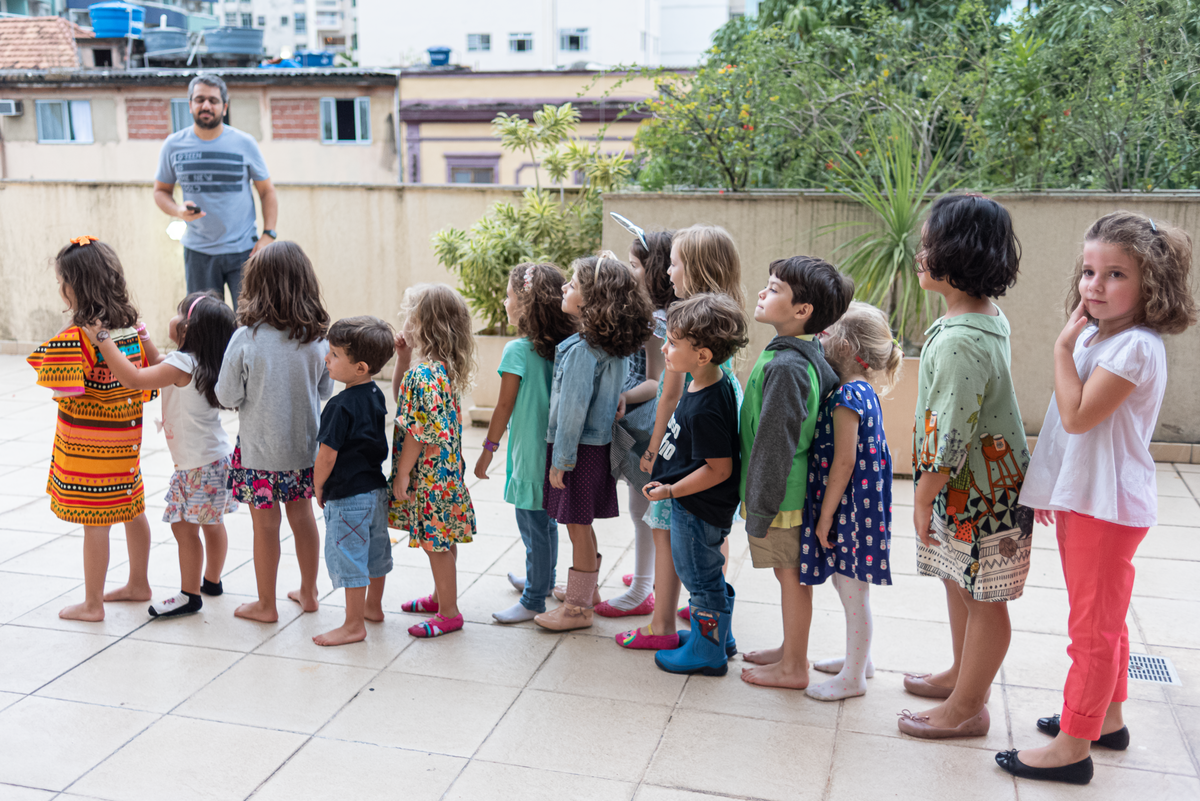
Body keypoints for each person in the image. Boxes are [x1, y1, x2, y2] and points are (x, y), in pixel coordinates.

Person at [996, 212, 1197, 785]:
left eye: (1114, 275)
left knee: (1093, 629)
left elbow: (1079, 416)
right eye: (1089, 271)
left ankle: (1072, 746)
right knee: (1103, 618)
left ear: (1151, 285)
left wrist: (1062, 346)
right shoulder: (1104, 335)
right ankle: (1105, 719)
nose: (1094, 286)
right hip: (1088, 499)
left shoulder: (1134, 347)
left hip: (1104, 506)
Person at [900, 194, 1032, 740]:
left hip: (978, 491)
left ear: (956, 255)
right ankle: (961, 677)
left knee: (984, 595)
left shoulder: (960, 341)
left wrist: (922, 494)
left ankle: (969, 707)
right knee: (959, 581)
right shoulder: (980, 317)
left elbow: (951, 432)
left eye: (928, 244)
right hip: (969, 489)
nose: (918, 252)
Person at [617, 223, 744, 650]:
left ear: (695, 267)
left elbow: (669, 392)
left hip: (688, 421)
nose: (667, 271)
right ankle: (707, 610)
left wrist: (653, 449)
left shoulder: (683, 322)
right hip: (719, 410)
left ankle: (662, 624)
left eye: (674, 263)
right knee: (711, 528)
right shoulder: (723, 314)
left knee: (663, 521)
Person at [84, 291, 238, 619]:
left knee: (184, 528)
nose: (174, 316)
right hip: (216, 458)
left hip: (197, 465)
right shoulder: (204, 362)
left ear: (189, 329)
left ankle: (189, 595)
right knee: (212, 523)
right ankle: (212, 581)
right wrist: (145, 338)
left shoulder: (182, 364)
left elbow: (136, 378)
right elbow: (159, 365)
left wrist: (102, 340)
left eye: (179, 312)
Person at [27, 237, 156, 622]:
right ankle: (138, 583)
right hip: (125, 439)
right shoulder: (128, 325)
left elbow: (62, 384)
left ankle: (93, 604)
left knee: (95, 519)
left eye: (61, 282)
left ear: (75, 286)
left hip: (91, 445)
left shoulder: (81, 334)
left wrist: (68, 338)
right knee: (132, 507)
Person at [738, 256, 853, 690]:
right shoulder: (794, 353)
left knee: (790, 576)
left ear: (802, 311)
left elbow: (775, 444)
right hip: (782, 493)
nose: (763, 294)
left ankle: (794, 667)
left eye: (773, 289)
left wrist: (761, 507)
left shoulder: (786, 366)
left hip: (780, 496)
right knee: (786, 574)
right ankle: (791, 650)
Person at [534, 254, 653, 631]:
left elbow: (572, 412)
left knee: (576, 525)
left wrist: (561, 459)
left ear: (592, 299)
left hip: (578, 451)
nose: (565, 288)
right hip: (590, 449)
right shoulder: (607, 347)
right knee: (579, 522)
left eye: (573, 284)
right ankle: (586, 591)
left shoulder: (584, 350)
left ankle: (578, 609)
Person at [216, 241, 333, 623]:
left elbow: (226, 394)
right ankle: (309, 592)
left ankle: (266, 605)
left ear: (256, 285)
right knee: (303, 519)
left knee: (265, 526)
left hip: (259, 455)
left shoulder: (246, 339)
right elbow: (324, 390)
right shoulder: (317, 339)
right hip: (305, 451)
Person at [802, 301, 904, 700]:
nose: (819, 336)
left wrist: (825, 517)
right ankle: (860, 659)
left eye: (826, 331)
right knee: (851, 587)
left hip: (850, 509)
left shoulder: (847, 397)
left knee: (851, 589)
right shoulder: (863, 391)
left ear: (844, 345)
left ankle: (854, 677)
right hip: (861, 507)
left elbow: (843, 462)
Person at [645, 293, 748, 675]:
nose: (664, 347)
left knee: (700, 578)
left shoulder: (707, 405)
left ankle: (708, 652)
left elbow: (719, 469)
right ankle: (720, 637)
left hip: (697, 509)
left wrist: (671, 491)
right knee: (706, 574)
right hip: (694, 504)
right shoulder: (705, 382)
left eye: (672, 342)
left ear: (702, 355)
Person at [476, 263, 577, 624]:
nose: (505, 302)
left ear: (525, 304)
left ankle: (535, 598)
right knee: (544, 521)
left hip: (532, 452)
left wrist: (487, 451)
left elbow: (503, 406)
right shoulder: (565, 346)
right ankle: (543, 580)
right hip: (556, 450)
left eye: (508, 296)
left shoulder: (517, 350)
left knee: (533, 524)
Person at [388, 284, 478, 638]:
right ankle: (443, 596)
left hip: (428, 476)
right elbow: (403, 402)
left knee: (434, 543)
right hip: (447, 473)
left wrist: (403, 474)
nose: (403, 323)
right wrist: (403, 358)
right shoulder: (439, 371)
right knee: (443, 538)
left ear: (424, 325)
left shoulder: (423, 377)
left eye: (409, 317)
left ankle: (449, 612)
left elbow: (416, 431)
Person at [597, 229, 674, 619]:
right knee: (641, 507)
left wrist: (624, 398)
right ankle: (650, 575)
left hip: (644, 426)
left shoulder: (658, 323)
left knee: (643, 508)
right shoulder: (654, 316)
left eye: (634, 265)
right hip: (642, 423)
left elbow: (655, 383)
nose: (630, 272)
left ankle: (645, 588)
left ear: (652, 270)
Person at [153, 74, 278, 310]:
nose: (206, 105)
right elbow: (160, 191)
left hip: (244, 252)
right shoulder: (173, 145)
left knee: (252, 323)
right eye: (199, 99)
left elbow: (267, 191)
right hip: (198, 254)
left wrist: (268, 235)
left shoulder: (245, 143)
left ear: (225, 106)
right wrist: (178, 210)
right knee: (204, 327)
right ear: (190, 105)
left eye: (213, 100)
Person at [312, 316, 396, 646]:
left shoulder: (338, 406)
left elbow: (327, 456)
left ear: (360, 367)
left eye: (333, 355)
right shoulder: (376, 394)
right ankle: (373, 608)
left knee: (350, 557)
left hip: (348, 497)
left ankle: (353, 624)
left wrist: (318, 485)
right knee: (375, 552)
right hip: (376, 491)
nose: (326, 359)